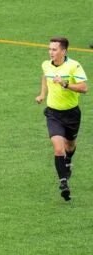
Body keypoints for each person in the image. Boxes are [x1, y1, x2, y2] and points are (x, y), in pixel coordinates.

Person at [34, 36, 88, 201]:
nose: (51, 52)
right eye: (50, 49)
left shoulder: (74, 66)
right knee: (58, 149)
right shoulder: (46, 64)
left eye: (54, 49)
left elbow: (84, 88)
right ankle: (63, 182)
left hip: (71, 114)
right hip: (53, 114)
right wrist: (43, 94)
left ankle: (68, 161)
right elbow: (45, 76)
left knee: (69, 145)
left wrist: (65, 84)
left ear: (63, 51)